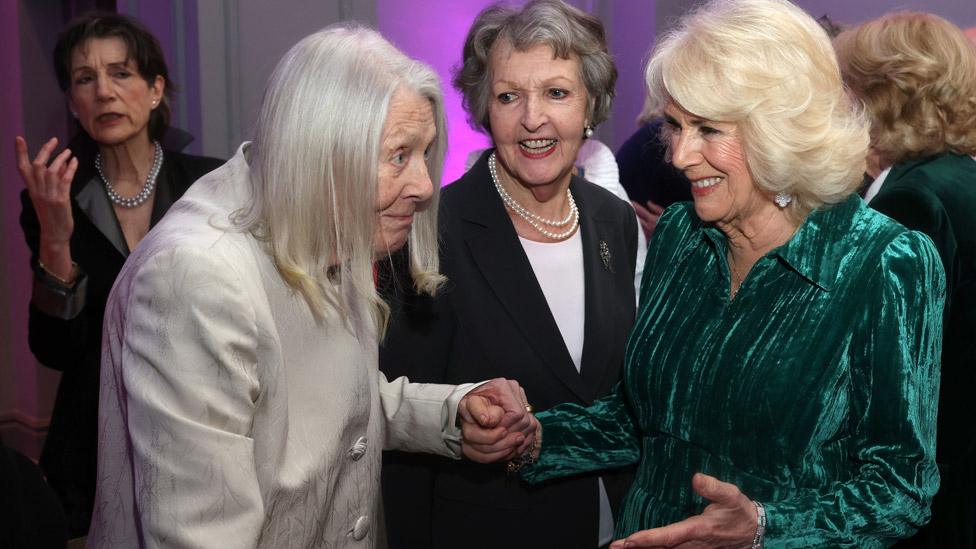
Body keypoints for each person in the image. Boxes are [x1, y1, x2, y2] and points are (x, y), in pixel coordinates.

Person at [507, 0, 946, 547]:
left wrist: (764, 528)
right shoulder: (682, 234)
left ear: (780, 129)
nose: (682, 156)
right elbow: (638, 420)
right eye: (675, 125)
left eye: (710, 129)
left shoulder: (885, 262)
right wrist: (527, 437)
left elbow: (900, 487)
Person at [87, 25, 534, 548]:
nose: (424, 186)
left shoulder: (326, 218)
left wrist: (449, 415)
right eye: (398, 155)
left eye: (424, 152)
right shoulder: (194, 278)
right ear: (322, 152)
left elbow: (318, 402)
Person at [379, 1, 638, 547]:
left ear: (590, 104)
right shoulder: (429, 231)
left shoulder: (615, 220)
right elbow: (396, 424)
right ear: (483, 108)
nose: (532, 119)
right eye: (508, 96)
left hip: (614, 525)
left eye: (557, 93)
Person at [13, 12, 223, 537]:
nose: (104, 91)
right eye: (86, 79)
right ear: (72, 103)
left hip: (199, 434)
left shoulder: (212, 186)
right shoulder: (51, 199)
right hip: (92, 446)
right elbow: (56, 351)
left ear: (155, 90)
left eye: (121, 73)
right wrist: (56, 238)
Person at [835, 12, 976, 548]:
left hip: (927, 484)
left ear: (882, 94)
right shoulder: (960, 175)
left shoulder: (913, 199)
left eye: (847, 85)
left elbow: (891, 369)